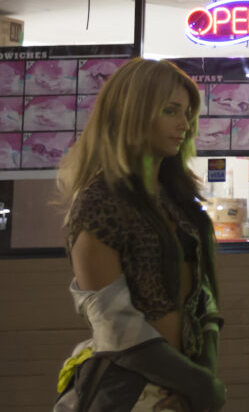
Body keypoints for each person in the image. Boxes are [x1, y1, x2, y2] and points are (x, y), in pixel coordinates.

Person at [54, 58, 225, 411]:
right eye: (170, 111)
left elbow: (203, 299)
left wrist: (200, 381)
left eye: (187, 112)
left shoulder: (176, 200)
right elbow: (116, 326)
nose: (185, 124)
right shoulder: (99, 204)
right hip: (126, 392)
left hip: (184, 387)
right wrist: (201, 384)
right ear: (133, 113)